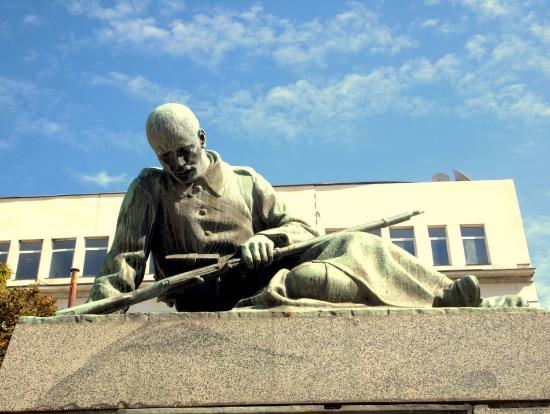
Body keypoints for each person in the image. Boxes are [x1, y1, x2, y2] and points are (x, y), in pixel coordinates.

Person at [88, 103, 525, 311]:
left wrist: (268, 238)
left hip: (262, 277)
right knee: (311, 280)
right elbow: (122, 262)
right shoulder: (148, 188)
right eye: (166, 158)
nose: (178, 165)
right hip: (203, 299)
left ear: (202, 139)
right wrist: (100, 311)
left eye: (184, 152)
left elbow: (297, 229)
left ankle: (447, 297)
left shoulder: (246, 181)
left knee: (354, 243)